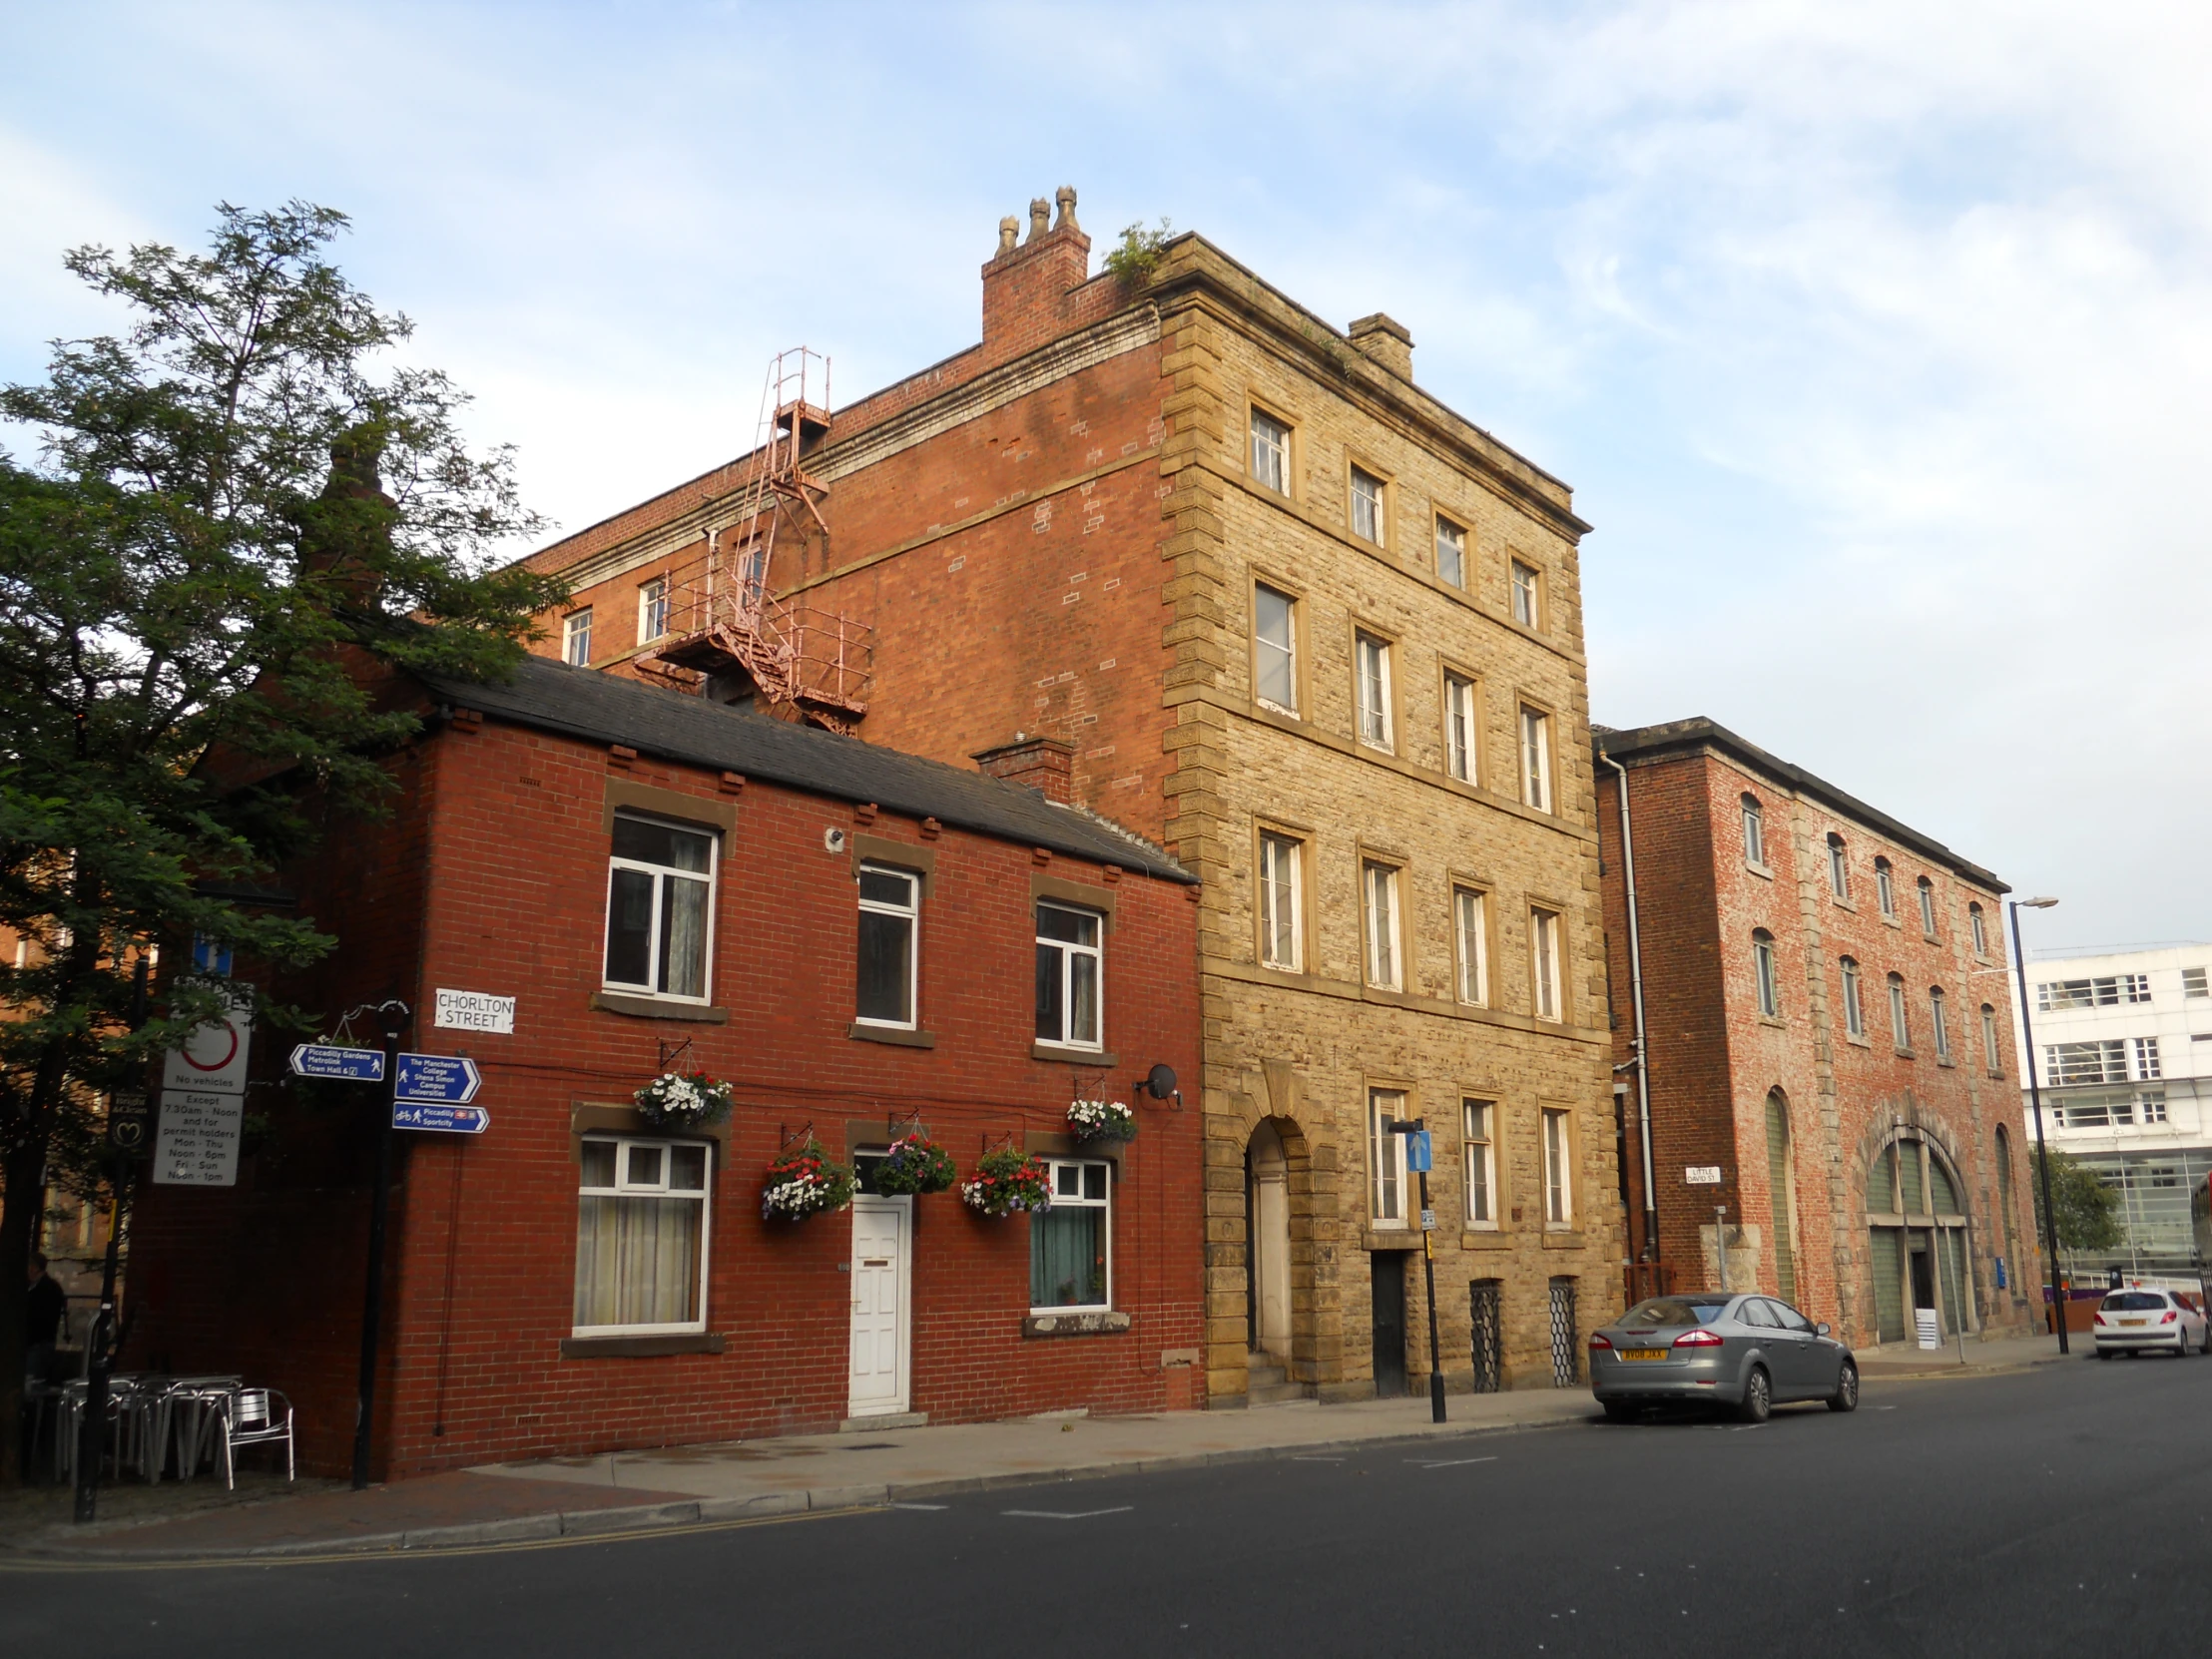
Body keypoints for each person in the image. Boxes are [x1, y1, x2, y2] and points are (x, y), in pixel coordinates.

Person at [25, 1253, 66, 1384]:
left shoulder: (49, 1289)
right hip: (33, 1343)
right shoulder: (32, 1286)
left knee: (31, 1381)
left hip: (38, 1343)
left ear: (35, 1268)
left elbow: (42, 1318)